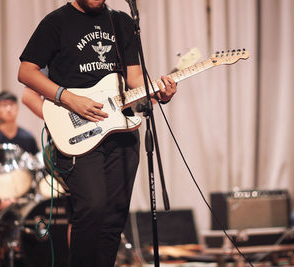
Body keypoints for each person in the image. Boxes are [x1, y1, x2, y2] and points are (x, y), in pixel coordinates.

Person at [17, 1, 177, 266]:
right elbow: (26, 71)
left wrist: (160, 91)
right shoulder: (56, 22)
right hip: (80, 132)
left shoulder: (122, 21)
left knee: (114, 216)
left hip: (121, 131)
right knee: (92, 207)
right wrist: (67, 99)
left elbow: (134, 79)